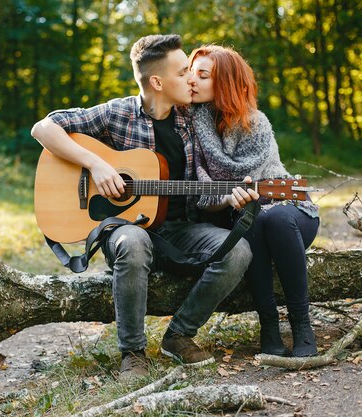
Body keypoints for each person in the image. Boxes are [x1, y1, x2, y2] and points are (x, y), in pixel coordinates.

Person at [31, 34, 259, 381]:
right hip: (124, 227)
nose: (191, 79)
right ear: (157, 81)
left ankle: (179, 335)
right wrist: (95, 164)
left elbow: (213, 174)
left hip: (180, 228)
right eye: (183, 72)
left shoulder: (195, 119)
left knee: (238, 250)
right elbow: (43, 128)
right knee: (134, 242)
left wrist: (229, 196)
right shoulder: (117, 113)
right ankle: (133, 354)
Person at [189, 45, 320, 357]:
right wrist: (223, 199)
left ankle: (302, 325)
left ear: (226, 83)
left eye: (202, 75)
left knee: (270, 217)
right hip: (243, 220)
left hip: (289, 214)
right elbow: (197, 182)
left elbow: (252, 181)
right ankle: (269, 326)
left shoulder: (255, 123)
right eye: (190, 73)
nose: (192, 80)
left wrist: (234, 194)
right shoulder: (190, 124)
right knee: (249, 220)